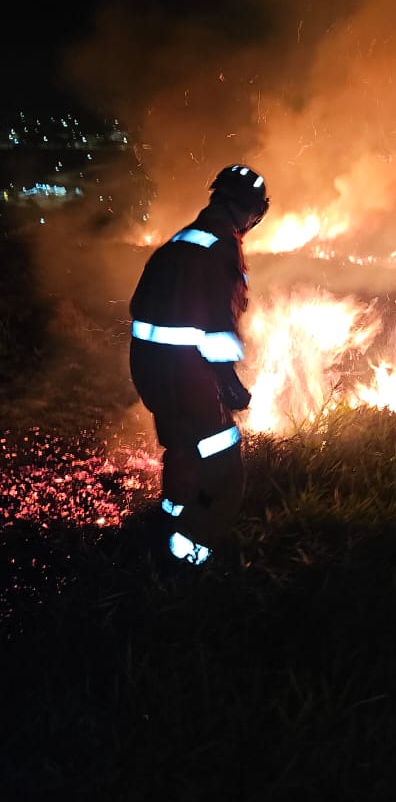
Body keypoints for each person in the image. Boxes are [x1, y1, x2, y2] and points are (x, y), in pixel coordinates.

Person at [129, 164, 270, 564]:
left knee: (180, 444)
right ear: (251, 212)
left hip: (148, 367)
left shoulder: (180, 240)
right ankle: (192, 554)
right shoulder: (223, 246)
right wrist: (228, 383)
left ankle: (169, 518)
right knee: (223, 458)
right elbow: (218, 328)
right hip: (187, 371)